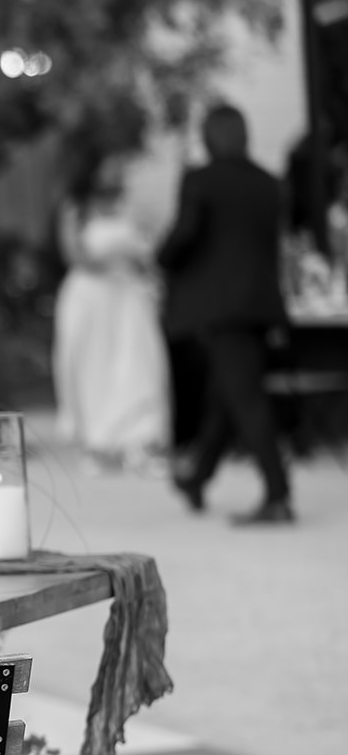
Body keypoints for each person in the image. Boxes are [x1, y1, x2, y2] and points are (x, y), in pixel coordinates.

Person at [158, 104, 295, 524]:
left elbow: (184, 235)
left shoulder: (201, 180)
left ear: (209, 137)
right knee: (226, 393)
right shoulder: (269, 184)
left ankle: (277, 494)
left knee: (245, 397)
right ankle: (198, 477)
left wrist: (163, 258)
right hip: (260, 303)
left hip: (220, 306)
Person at [52, 155, 171, 472]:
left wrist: (137, 264)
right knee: (93, 369)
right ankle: (99, 444)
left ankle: (140, 440)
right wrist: (114, 258)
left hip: (127, 300)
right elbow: (74, 254)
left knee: (138, 367)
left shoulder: (132, 207)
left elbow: (150, 251)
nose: (118, 173)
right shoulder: (76, 208)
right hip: (91, 299)